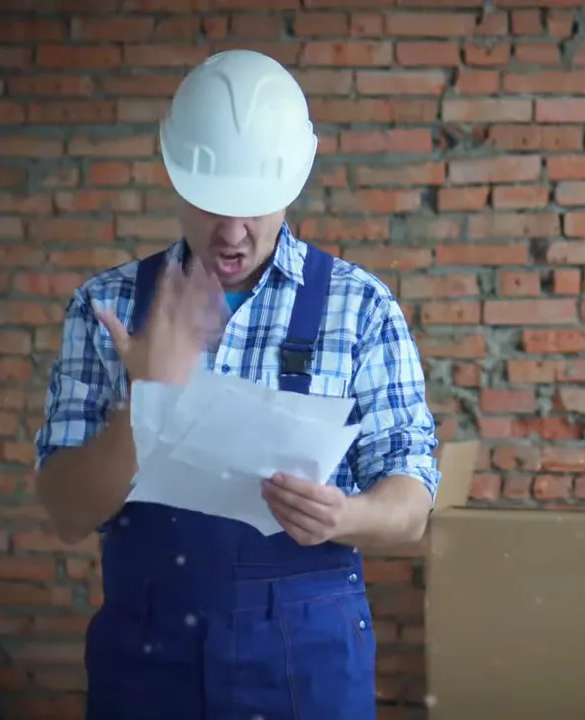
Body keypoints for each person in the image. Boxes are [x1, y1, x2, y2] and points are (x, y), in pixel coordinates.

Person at [33, 49, 440, 720]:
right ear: (174, 174)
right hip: (148, 656)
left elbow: (413, 500)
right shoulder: (105, 308)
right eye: (211, 202)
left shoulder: (360, 307)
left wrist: (348, 516)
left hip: (305, 658)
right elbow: (65, 512)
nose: (230, 232)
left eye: (252, 206)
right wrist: (145, 404)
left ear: (291, 184)